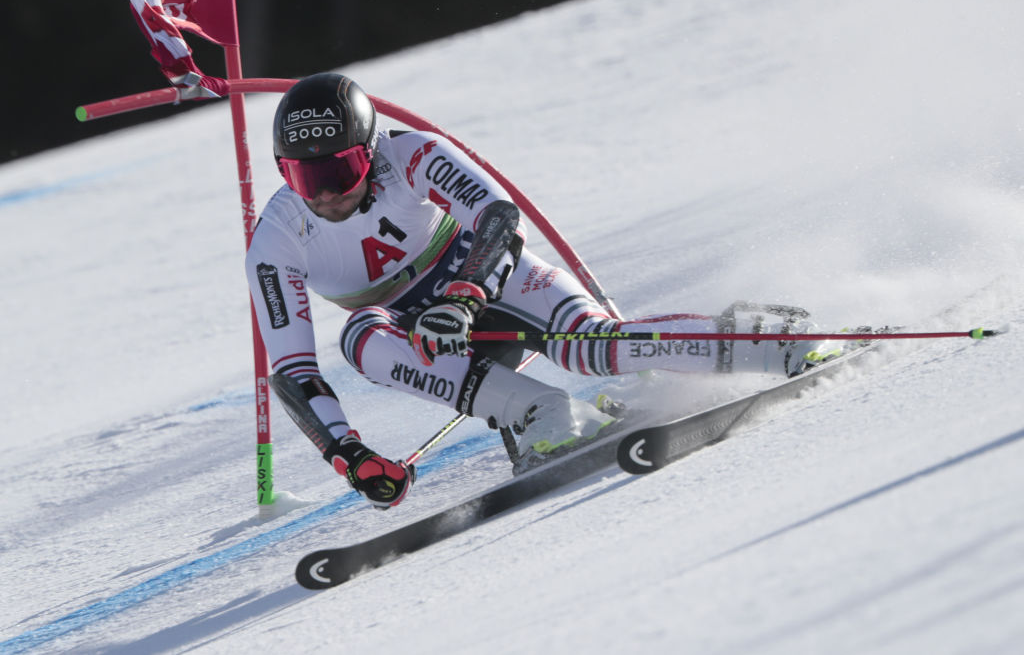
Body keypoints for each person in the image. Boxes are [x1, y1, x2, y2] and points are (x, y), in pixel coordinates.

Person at [245, 73, 840, 509]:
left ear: (370, 152)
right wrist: (349, 454)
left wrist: (463, 295)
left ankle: (770, 342)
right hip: (420, 338)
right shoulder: (276, 239)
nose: (323, 195)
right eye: (303, 175)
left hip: (481, 281)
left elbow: (499, 218)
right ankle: (542, 414)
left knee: (593, 347)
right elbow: (294, 370)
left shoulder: (413, 154)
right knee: (360, 336)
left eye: (338, 172)